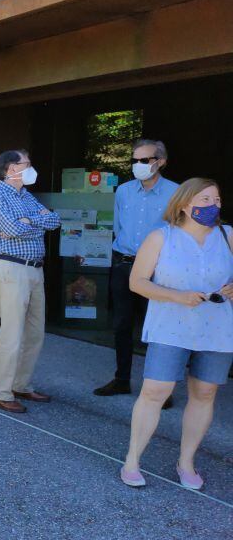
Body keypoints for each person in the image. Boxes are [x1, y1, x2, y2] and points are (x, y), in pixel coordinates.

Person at [120, 178, 232, 489]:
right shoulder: (160, 237)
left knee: (205, 393)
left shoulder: (228, 235)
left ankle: (186, 462)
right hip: (170, 327)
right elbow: (137, 282)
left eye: (217, 200)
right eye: (205, 200)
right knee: (155, 391)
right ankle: (132, 460)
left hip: (217, 329)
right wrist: (177, 296)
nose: (214, 206)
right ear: (183, 204)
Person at [94, 140, 177, 401]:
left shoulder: (176, 193)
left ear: (160, 161)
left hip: (159, 268)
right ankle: (121, 380)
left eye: (145, 160)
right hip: (124, 263)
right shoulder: (124, 191)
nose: (138, 166)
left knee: (158, 328)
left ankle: (161, 389)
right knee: (121, 325)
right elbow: (119, 226)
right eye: (135, 161)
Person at [0, 150, 61, 414]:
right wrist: (31, 224)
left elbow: (54, 220)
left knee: (35, 333)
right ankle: (1, 392)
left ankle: (21, 384)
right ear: (12, 169)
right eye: (27, 164)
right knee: (12, 334)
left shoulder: (26, 196)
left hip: (35, 270)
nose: (31, 168)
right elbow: (12, 229)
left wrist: (28, 221)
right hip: (11, 269)